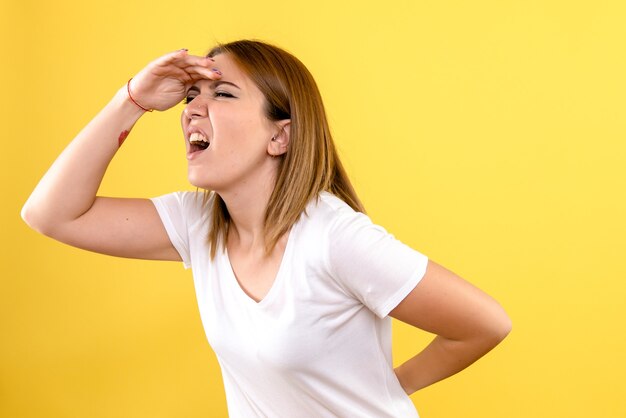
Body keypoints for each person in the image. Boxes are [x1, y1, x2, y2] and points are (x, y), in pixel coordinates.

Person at [22, 40, 511, 417]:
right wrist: (131, 100)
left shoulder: (333, 238)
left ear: (280, 135)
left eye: (223, 94)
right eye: (192, 95)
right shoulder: (200, 224)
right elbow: (51, 214)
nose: (192, 108)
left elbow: (486, 324)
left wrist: (390, 387)